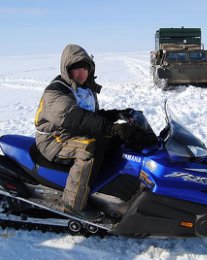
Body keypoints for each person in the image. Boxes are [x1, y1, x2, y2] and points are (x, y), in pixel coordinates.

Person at [34, 44, 134, 220]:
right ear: (67, 69)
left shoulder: (85, 89)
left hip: (73, 133)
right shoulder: (56, 91)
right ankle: (72, 205)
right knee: (88, 149)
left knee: (113, 143)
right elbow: (76, 117)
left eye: (85, 68)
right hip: (54, 138)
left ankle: (107, 191)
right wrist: (110, 128)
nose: (82, 73)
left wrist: (117, 114)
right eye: (76, 68)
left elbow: (92, 117)